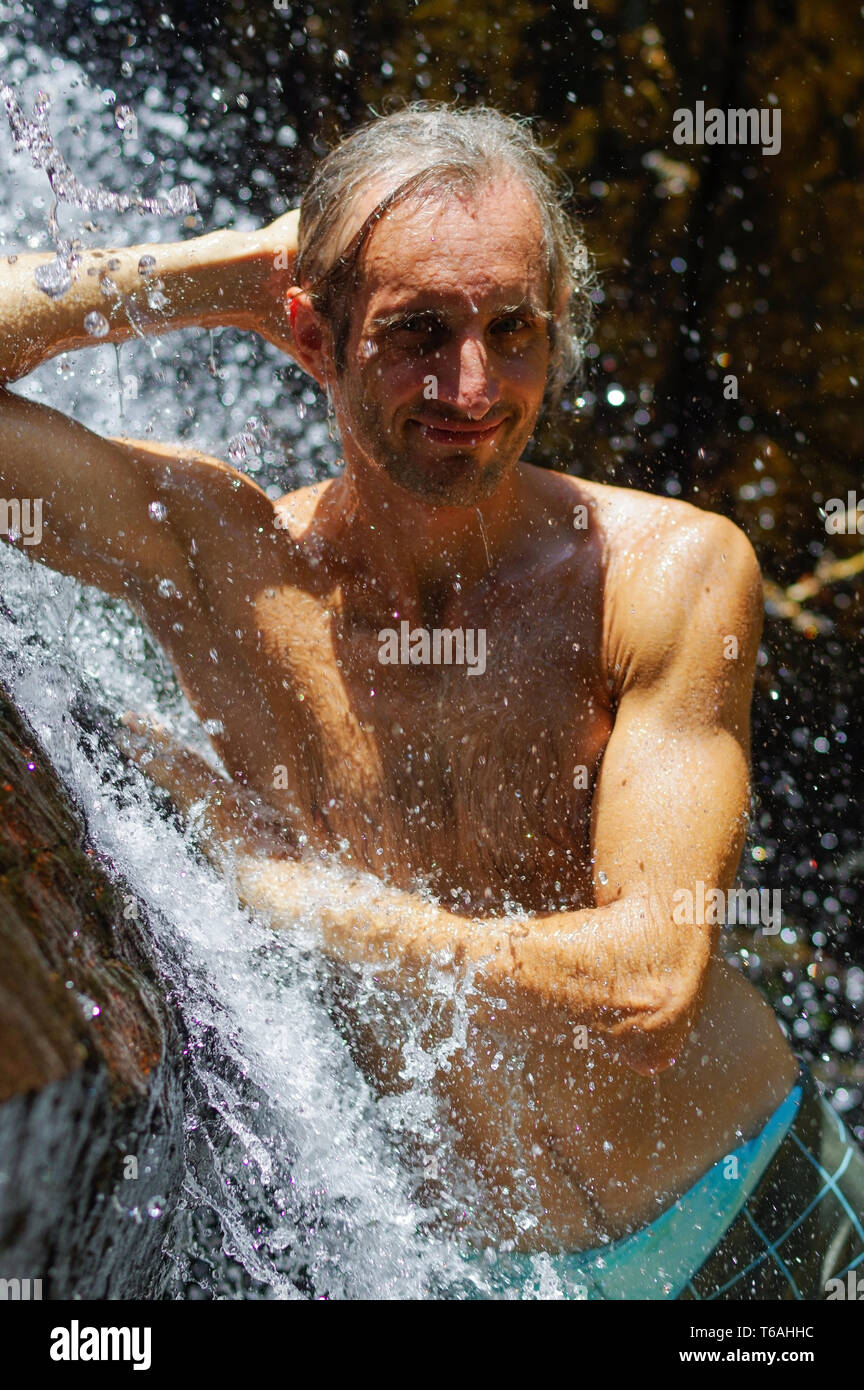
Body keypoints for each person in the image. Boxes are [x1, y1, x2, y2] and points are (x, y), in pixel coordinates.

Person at [1, 101, 862, 1300]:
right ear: (309, 333)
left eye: (513, 328)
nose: (471, 384)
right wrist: (216, 272)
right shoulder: (225, 566)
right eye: (416, 333)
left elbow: (649, 986)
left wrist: (296, 901)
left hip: (742, 1218)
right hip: (446, 1271)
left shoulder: (665, 574)